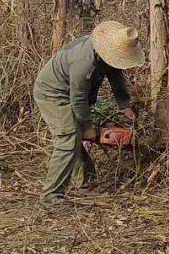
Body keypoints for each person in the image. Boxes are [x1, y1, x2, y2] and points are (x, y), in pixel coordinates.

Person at [32, 20, 145, 206]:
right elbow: (78, 99)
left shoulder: (107, 54)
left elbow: (116, 76)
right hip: (52, 94)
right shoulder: (84, 62)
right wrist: (88, 127)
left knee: (72, 136)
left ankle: (87, 182)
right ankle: (51, 195)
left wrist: (125, 104)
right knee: (68, 137)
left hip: (69, 93)